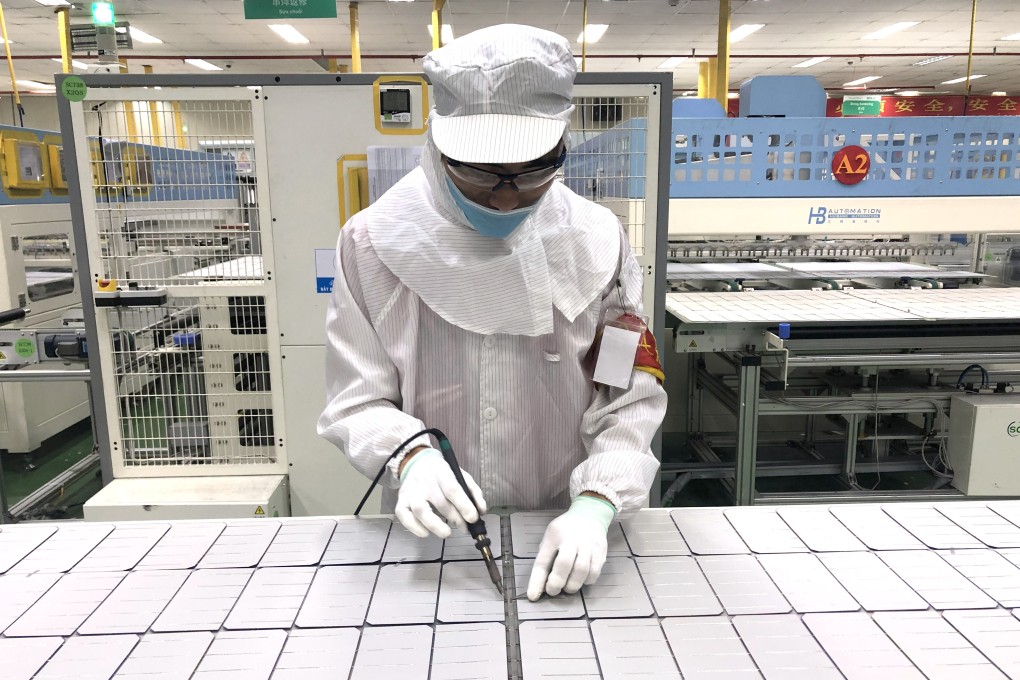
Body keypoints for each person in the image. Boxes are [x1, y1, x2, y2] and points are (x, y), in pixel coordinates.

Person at [317, 24, 667, 601]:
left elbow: (625, 393)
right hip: (436, 537)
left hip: (568, 522)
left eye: (533, 172)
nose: (507, 196)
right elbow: (356, 400)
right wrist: (409, 455)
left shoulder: (597, 241)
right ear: (439, 147)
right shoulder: (373, 244)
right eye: (479, 174)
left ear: (560, 147)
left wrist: (599, 501)